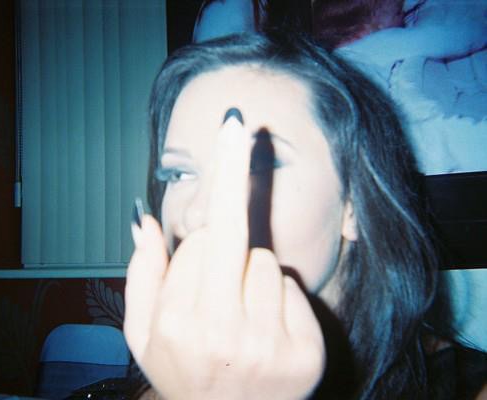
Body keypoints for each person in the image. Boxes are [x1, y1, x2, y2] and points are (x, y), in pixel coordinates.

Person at [123, 32, 486, 399]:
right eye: (179, 173)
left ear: (353, 203)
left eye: (258, 165)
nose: (197, 213)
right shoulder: (164, 381)